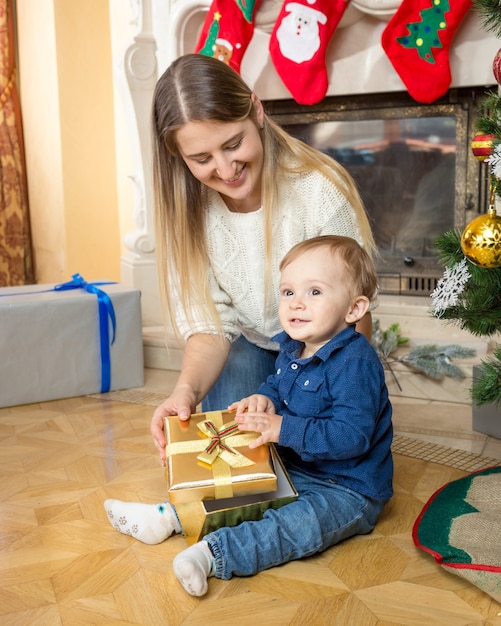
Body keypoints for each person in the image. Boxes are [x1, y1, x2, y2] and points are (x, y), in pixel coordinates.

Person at [105, 235, 393, 597]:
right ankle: (167, 518)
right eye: (288, 292)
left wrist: (281, 427)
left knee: (293, 525)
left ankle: (212, 554)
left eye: (314, 292)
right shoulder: (293, 347)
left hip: (348, 488)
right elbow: (278, 385)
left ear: (354, 309)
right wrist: (263, 399)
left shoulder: (355, 363)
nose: (297, 303)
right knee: (239, 487)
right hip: (295, 466)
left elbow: (353, 435)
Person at [147, 53, 377, 467]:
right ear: (180, 159)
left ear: (256, 110)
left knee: (318, 460)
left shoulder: (320, 190)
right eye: (201, 159)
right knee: (236, 461)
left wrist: (349, 397)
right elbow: (210, 326)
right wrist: (184, 393)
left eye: (233, 144)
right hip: (250, 349)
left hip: (325, 351)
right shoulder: (191, 212)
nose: (226, 168)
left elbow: (352, 316)